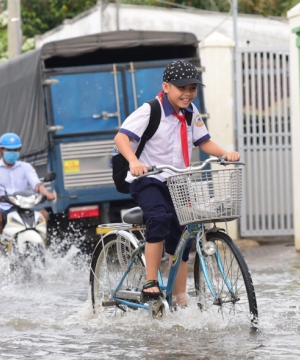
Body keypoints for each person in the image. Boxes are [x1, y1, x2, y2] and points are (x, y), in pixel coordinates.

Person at [114, 60, 240, 307]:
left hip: (177, 181)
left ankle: (179, 301)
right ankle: (150, 282)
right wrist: (133, 162)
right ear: (166, 86)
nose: (188, 93)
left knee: (183, 237)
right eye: (182, 88)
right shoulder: (151, 110)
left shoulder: (191, 112)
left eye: (192, 88)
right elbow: (121, 138)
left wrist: (224, 153)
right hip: (147, 178)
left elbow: (203, 141)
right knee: (159, 218)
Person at [0, 133, 55, 252]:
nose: (12, 152)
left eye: (15, 149)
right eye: (9, 150)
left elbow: (37, 184)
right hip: (3, 208)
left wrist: (46, 193)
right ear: (1, 150)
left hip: (25, 207)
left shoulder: (26, 167)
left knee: (43, 214)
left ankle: (42, 244)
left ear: (19, 150)